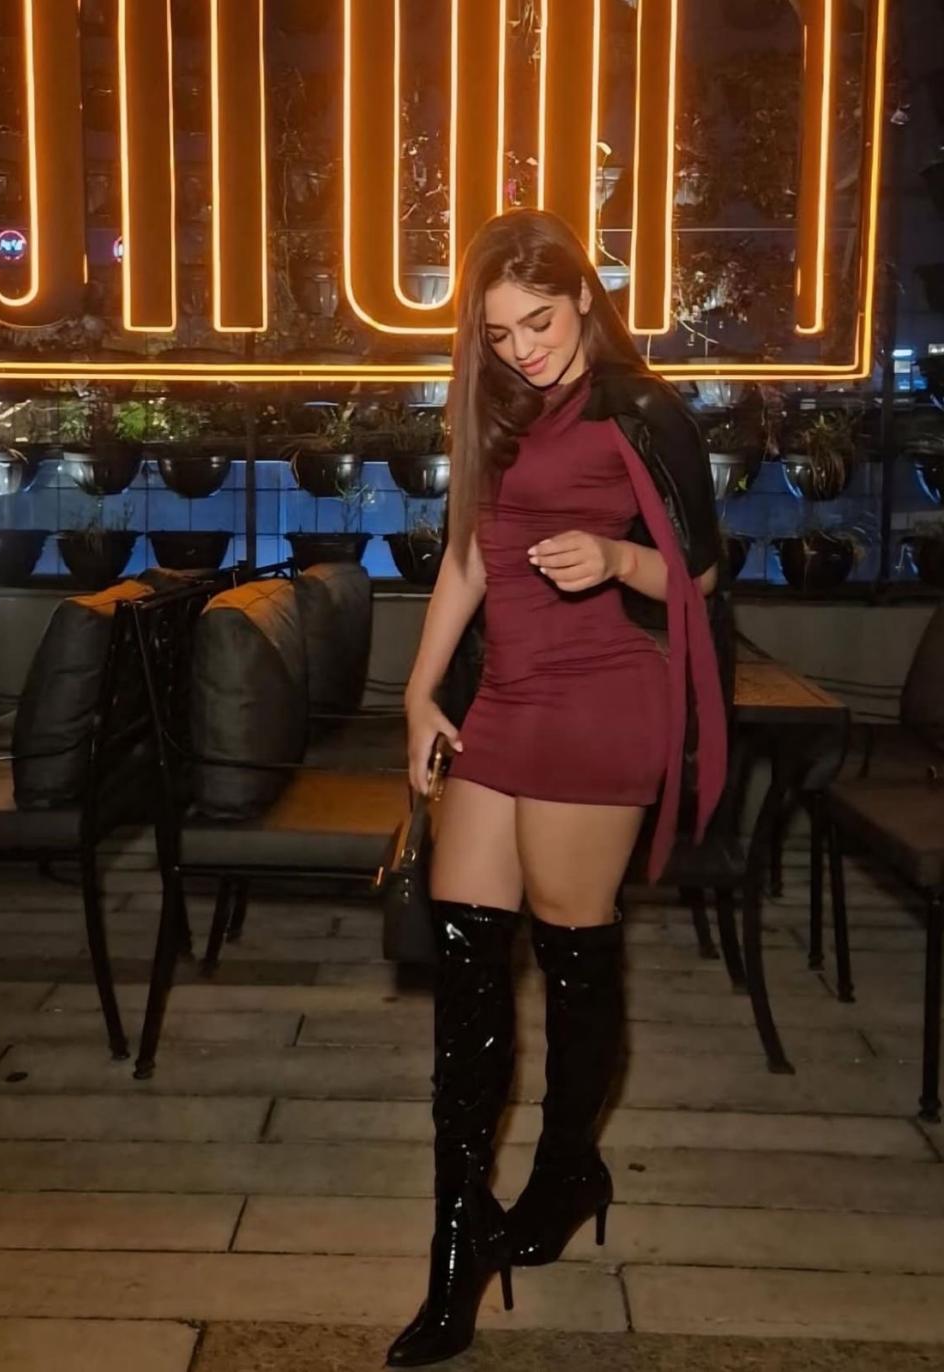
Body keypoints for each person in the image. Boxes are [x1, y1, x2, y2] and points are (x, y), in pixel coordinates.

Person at [386, 207, 728, 1368]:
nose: (524, 347)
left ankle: (566, 1166)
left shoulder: (641, 406)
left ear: (583, 297)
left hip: (600, 700)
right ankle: (455, 1239)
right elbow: (468, 556)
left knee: (573, 955)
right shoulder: (499, 407)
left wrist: (621, 557)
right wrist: (418, 694)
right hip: (503, 700)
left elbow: (705, 570)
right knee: (465, 966)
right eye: (499, 331)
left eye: (539, 320)